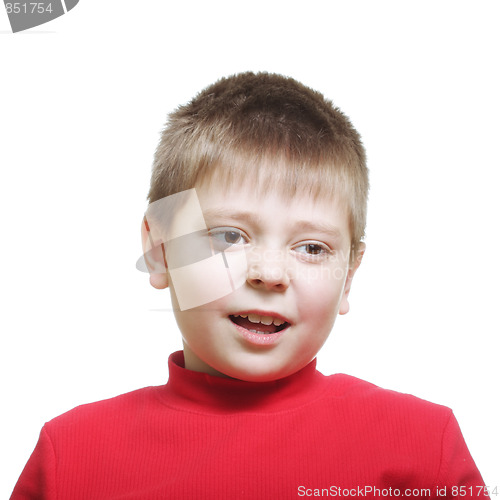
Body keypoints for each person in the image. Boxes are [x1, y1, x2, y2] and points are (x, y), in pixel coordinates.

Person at [11, 72, 488, 499]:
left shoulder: (423, 447)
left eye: (313, 248)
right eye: (228, 236)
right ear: (159, 250)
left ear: (349, 277)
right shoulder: (71, 457)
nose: (270, 273)